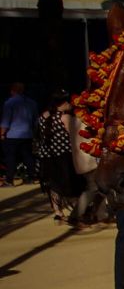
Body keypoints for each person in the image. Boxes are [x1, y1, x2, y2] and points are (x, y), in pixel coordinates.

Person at [33, 90, 79, 222]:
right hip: (64, 155)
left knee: (53, 184)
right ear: (63, 103)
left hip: (47, 155)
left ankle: (57, 210)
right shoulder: (65, 117)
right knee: (69, 182)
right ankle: (76, 209)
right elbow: (74, 135)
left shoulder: (43, 115)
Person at [1, 81, 38, 184]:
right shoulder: (32, 103)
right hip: (27, 134)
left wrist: (2, 133)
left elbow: (6, 120)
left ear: (13, 91)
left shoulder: (9, 103)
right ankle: (32, 177)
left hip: (12, 135)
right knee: (28, 156)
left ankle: (9, 179)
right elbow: (36, 120)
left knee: (10, 157)